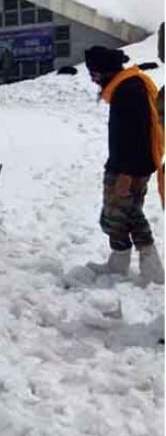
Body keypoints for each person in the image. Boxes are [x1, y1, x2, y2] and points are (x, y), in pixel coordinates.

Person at [84, 46, 163, 284]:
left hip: (130, 167)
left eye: (94, 73)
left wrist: (125, 174)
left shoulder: (128, 90)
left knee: (121, 215)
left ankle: (149, 268)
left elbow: (135, 135)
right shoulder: (126, 86)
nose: (92, 78)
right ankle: (124, 263)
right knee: (124, 214)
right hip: (132, 163)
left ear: (106, 70)